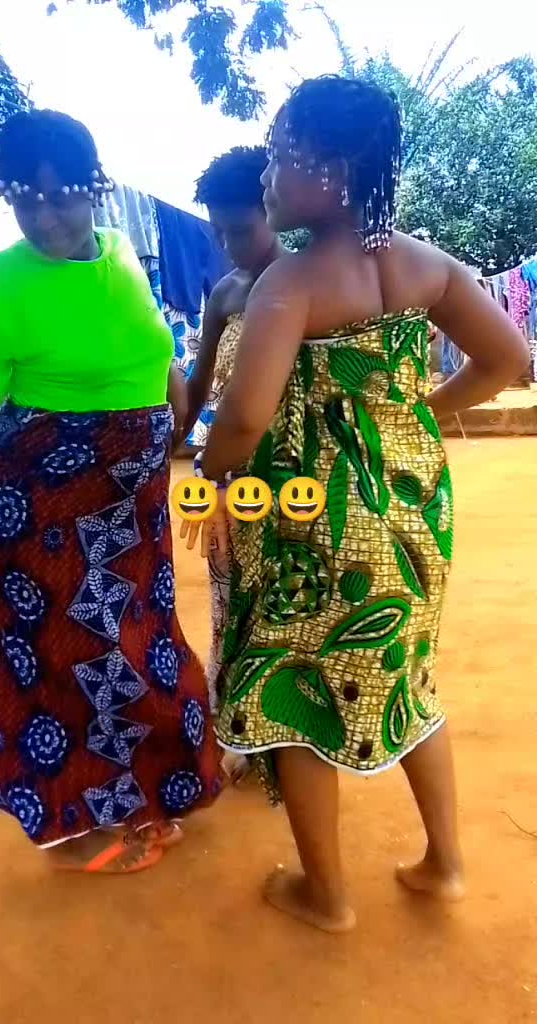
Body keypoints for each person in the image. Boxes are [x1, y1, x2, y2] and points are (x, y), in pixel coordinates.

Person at [191, 76, 529, 930]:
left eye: (281, 156)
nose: (267, 175)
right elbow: (508, 360)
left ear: (334, 174)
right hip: (413, 514)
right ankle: (445, 865)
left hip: (310, 520)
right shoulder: (428, 266)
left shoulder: (291, 282)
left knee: (295, 687)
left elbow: (244, 416)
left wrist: (212, 475)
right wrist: (414, 417)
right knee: (407, 681)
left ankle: (328, 896)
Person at [0, 109, 221, 873]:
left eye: (61, 196)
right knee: (73, 658)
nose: (46, 218)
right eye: (25, 199)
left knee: (142, 645)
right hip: (43, 508)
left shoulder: (121, 255)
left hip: (133, 507)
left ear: (95, 187)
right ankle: (93, 816)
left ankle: (154, 790)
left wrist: (177, 395)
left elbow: (147, 348)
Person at [181, 147, 285, 730]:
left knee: (282, 596)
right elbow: (200, 381)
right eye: (217, 231)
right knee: (230, 594)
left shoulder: (305, 283)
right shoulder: (224, 293)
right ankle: (236, 722)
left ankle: (281, 724)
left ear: (273, 208)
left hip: (290, 468)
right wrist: (176, 437)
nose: (228, 243)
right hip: (226, 470)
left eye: (240, 230)